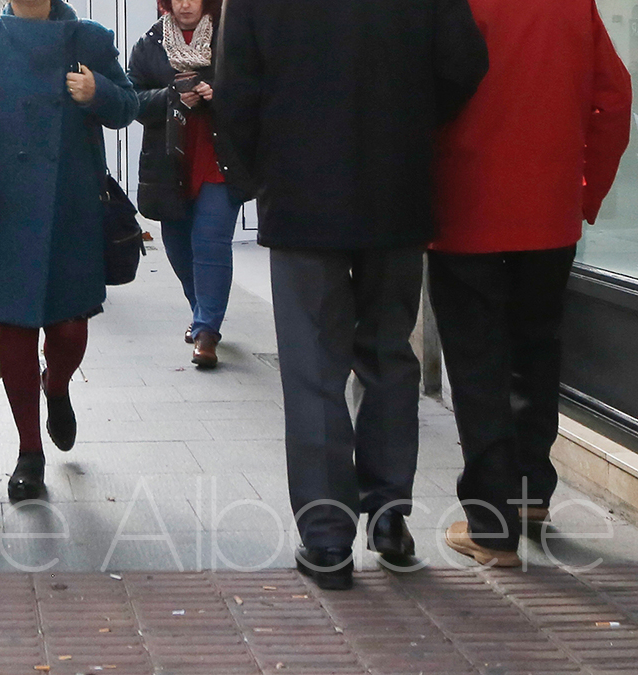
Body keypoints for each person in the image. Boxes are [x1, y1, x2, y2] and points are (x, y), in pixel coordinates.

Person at [215, 0, 488, 590]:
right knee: (389, 353)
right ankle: (390, 519)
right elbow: (463, 63)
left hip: (300, 192)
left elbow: (235, 86)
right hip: (395, 185)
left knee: (313, 368)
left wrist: (256, 175)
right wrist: (411, 122)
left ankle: (327, 538)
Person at [429, 0, 631, 568]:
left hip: (464, 207)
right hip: (549, 212)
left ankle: (491, 526)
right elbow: (614, 98)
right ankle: (532, 494)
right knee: (537, 351)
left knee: (477, 364)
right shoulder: (573, 5)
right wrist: (586, 193)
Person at [0, 0, 139, 501]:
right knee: (15, 329)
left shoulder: (90, 38)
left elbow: (130, 106)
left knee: (70, 327)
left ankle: (57, 385)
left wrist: (98, 92)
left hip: (72, 208)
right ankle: (29, 453)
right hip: (3, 208)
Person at [128, 0, 243, 369]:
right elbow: (132, 101)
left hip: (217, 158)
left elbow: (255, 90)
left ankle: (208, 330)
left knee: (210, 241)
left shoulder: (231, 37)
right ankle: (199, 310)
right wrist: (171, 97)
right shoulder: (150, 43)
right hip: (170, 163)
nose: (186, 3)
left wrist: (217, 94)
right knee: (177, 242)